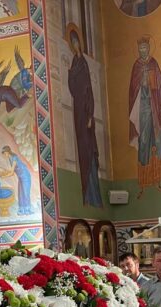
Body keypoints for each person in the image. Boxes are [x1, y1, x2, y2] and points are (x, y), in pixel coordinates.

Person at [128, 37, 161, 191]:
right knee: (144, 140)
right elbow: (132, 89)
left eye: (145, 47)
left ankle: (158, 179)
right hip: (143, 108)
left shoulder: (154, 63)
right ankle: (143, 182)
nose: (143, 50)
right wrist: (141, 83)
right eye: (140, 48)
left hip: (155, 107)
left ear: (148, 48)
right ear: (138, 49)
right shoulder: (136, 66)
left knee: (158, 140)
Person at [68, 29, 104, 208]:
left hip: (86, 110)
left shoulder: (83, 63)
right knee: (83, 150)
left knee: (90, 149)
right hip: (78, 111)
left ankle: (94, 195)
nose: (76, 46)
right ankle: (86, 195)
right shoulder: (74, 63)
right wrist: (70, 74)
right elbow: (72, 87)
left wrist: (90, 115)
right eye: (73, 43)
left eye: (77, 42)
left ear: (80, 44)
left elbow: (88, 89)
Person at [0, 146, 33, 216]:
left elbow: (11, 173)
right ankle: (22, 210)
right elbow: (12, 171)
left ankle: (27, 210)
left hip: (25, 175)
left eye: (4, 153)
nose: (4, 155)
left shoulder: (14, 158)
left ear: (7, 152)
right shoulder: (10, 158)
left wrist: (3, 176)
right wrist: (3, 172)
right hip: (20, 177)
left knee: (25, 193)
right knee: (20, 193)